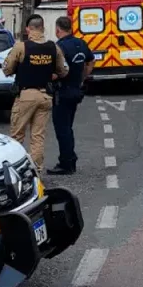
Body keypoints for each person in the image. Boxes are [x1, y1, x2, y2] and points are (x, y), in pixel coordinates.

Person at [3, 14, 68, 174]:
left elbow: (7, 69)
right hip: (45, 95)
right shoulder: (54, 47)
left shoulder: (21, 47)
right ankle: (37, 171)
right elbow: (63, 71)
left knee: (17, 135)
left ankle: (15, 172)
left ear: (28, 29)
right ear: (43, 28)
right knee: (38, 136)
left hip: (26, 95)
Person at [47, 16, 95, 176]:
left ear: (58, 29)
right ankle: (70, 159)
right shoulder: (80, 43)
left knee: (62, 129)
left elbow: (55, 71)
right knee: (68, 127)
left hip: (62, 91)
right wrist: (82, 77)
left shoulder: (59, 47)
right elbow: (91, 61)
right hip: (76, 90)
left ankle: (66, 163)